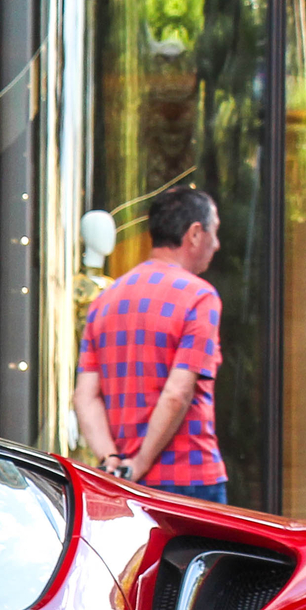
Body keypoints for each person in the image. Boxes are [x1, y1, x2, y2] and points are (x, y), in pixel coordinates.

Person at [71, 186, 229, 503]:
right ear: (195, 233)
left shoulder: (105, 300)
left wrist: (112, 461)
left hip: (121, 484)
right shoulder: (200, 297)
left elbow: (84, 396)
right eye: (214, 232)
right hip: (189, 477)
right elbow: (177, 394)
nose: (217, 244)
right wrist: (140, 463)